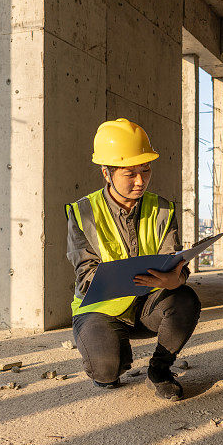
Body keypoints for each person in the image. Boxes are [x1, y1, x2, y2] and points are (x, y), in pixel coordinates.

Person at [65, 118, 201, 401]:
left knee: (185, 298)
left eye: (146, 170)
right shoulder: (83, 213)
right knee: (106, 373)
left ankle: (160, 370)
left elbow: (173, 259)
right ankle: (113, 349)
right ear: (106, 173)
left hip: (147, 306)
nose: (141, 181)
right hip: (101, 308)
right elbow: (86, 275)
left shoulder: (162, 208)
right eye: (130, 173)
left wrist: (175, 278)